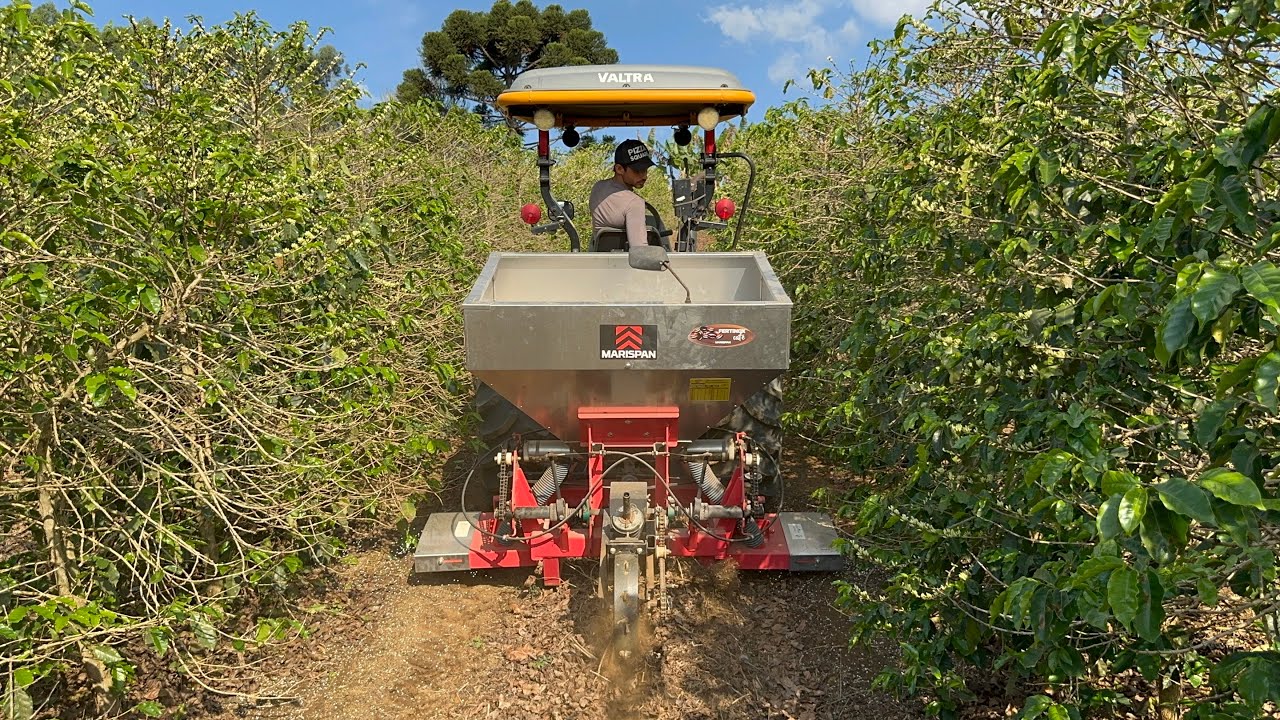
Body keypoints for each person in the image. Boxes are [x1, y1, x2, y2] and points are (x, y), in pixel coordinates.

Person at [589, 139, 656, 251]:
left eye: (645, 170)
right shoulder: (634, 203)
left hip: (599, 261)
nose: (644, 176)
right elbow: (640, 250)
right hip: (625, 265)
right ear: (619, 169)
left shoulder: (598, 188)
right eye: (637, 170)